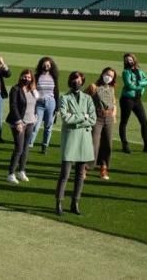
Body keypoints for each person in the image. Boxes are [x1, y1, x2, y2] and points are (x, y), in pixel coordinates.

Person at [55, 72, 96, 216]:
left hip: (84, 140)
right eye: (73, 80)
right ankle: (59, 202)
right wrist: (83, 117)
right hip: (71, 139)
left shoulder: (88, 98)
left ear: (82, 82)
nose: (76, 82)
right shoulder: (64, 98)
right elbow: (66, 118)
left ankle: (75, 202)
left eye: (78, 80)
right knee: (65, 174)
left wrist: (77, 118)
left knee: (80, 174)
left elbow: (93, 119)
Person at [6, 69, 38, 184]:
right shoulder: (15, 89)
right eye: (25, 76)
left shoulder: (32, 90)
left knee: (26, 148)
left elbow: (35, 103)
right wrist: (18, 122)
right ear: (21, 77)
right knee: (19, 148)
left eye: (29, 77)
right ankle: (11, 173)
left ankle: (21, 171)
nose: (27, 79)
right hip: (19, 123)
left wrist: (35, 118)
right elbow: (13, 106)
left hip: (30, 122)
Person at [120, 53, 147, 154]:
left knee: (144, 121)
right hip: (127, 99)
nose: (129, 61)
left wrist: (139, 84)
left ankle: (146, 145)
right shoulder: (125, 72)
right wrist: (141, 86)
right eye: (127, 60)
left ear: (134, 60)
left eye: (130, 59)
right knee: (124, 122)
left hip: (137, 99)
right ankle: (125, 145)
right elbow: (129, 85)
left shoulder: (140, 70)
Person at [90, 68, 117, 180]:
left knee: (108, 145)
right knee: (94, 144)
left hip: (108, 118)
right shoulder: (94, 87)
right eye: (107, 74)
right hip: (97, 118)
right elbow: (84, 98)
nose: (108, 77)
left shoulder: (111, 89)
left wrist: (114, 115)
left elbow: (114, 103)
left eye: (111, 76)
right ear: (102, 74)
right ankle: (86, 167)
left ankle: (103, 168)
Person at [28, 56, 59, 154]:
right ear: (41, 65)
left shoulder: (53, 77)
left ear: (51, 66)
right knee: (35, 126)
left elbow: (56, 92)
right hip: (39, 103)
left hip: (51, 103)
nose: (46, 66)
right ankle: (29, 145)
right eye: (45, 64)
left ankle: (44, 146)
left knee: (48, 127)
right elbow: (32, 90)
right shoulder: (36, 76)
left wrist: (57, 108)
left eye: (48, 65)